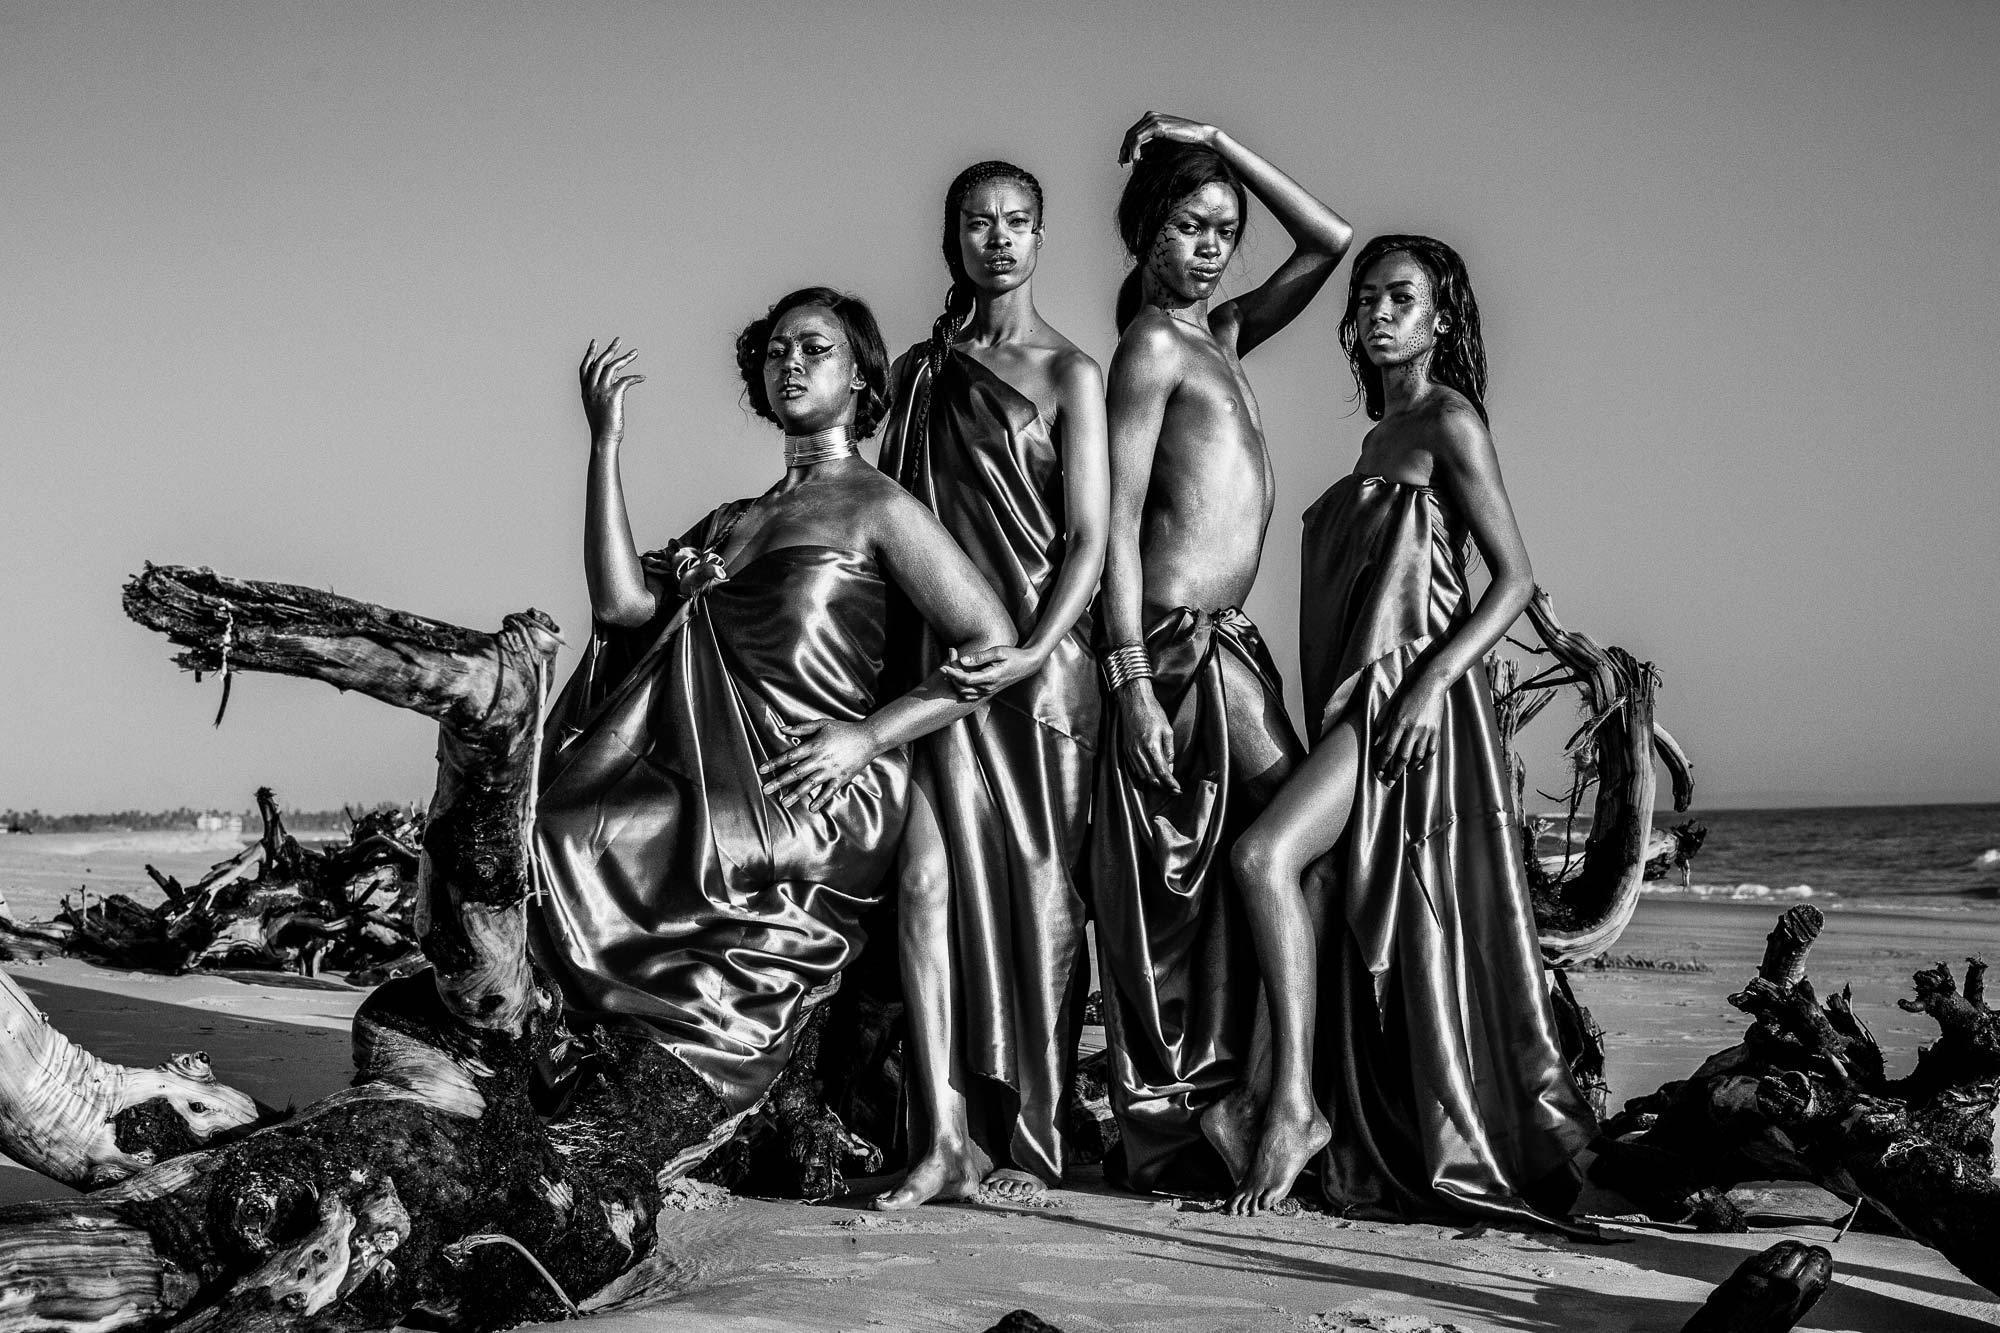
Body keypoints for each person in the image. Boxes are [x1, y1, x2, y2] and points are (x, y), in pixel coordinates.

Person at [532, 288, 1016, 1136]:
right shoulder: (735, 519)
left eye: (815, 348)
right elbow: (619, 604)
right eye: (776, 350)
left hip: (818, 781)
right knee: (556, 828)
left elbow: (992, 642)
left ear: (862, 376)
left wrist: (867, 737)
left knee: (601, 839)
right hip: (719, 766)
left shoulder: (880, 506)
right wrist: (605, 444)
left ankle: (675, 1051)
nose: (790, 363)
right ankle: (572, 1033)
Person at [1223, 236, 1597, 1227]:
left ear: (1440, 319)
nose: (1379, 313)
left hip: (1407, 704)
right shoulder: (1376, 439)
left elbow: (1512, 577)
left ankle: (1291, 1109)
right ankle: (1288, 1101)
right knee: (1309, 881)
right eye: (1367, 300)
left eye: (1401, 298)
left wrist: (1431, 682)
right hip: (1362, 700)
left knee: (1263, 857)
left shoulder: (1447, 419)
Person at [1093, 112, 1351, 1193]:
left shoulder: (1224, 338)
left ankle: (1263, 1096)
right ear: (1144, 231)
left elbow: (1330, 241)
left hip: (1229, 642)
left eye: (1223, 231)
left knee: (1282, 855)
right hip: (1176, 646)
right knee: (1293, 844)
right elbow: (1112, 525)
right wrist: (1130, 682)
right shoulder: (1152, 347)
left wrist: (1216, 136)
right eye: (1188, 225)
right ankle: (1279, 1101)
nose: (1208, 247)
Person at [871, 162, 1109, 1208]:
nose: (998, 239)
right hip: (944, 671)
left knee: (1041, 897)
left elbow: (1090, 539)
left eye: (1017, 222)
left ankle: (1033, 1131)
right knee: (926, 884)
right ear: (953, 237)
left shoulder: (1072, 372)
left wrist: (1032, 648)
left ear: (1042, 238)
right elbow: (871, 510)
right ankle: (942, 1136)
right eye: (979, 222)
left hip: (1046, 677)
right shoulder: (918, 372)